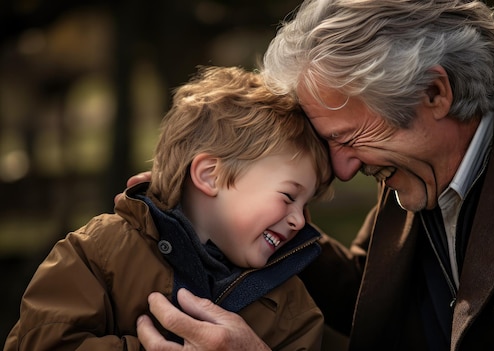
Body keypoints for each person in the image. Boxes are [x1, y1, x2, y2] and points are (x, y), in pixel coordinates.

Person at [130, 0, 494, 350]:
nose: (342, 169)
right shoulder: (418, 150)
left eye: (347, 139)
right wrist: (243, 214)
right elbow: (370, 295)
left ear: (435, 92)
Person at [4, 66, 334, 351]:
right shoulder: (99, 252)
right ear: (210, 175)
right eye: (290, 197)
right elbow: (42, 342)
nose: (299, 221)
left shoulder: (294, 308)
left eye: (306, 205)